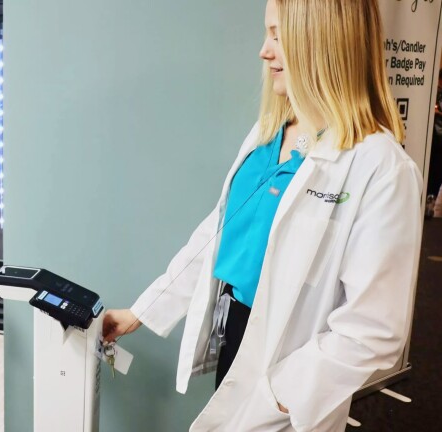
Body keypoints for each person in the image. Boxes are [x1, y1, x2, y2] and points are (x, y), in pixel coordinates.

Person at [102, 0, 423, 430]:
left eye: (276, 34)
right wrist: (141, 312)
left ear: (320, 40)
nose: (263, 51)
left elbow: (373, 330)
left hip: (294, 366)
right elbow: (219, 234)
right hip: (238, 330)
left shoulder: (380, 167)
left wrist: (280, 398)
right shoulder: (270, 133)